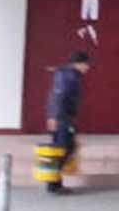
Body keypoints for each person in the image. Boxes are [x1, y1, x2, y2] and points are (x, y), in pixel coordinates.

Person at [44, 50, 92, 195]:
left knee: (63, 147)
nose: (88, 67)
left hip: (62, 116)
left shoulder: (67, 74)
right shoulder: (69, 76)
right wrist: (53, 116)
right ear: (79, 64)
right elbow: (59, 95)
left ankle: (54, 182)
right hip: (62, 117)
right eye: (86, 64)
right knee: (65, 147)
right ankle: (53, 182)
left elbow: (56, 95)